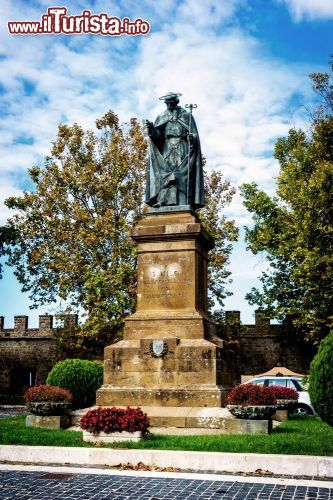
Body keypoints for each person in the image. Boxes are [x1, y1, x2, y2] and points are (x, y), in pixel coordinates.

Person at [145, 92, 204, 209]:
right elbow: (158, 137)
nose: (169, 106)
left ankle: (182, 201)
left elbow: (195, 135)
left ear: (176, 102)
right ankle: (162, 201)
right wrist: (151, 129)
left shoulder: (186, 116)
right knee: (165, 173)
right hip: (167, 148)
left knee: (180, 173)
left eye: (171, 103)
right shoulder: (161, 116)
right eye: (167, 104)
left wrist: (192, 137)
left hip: (182, 146)